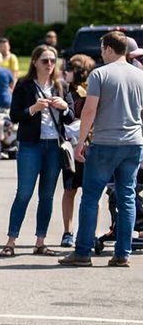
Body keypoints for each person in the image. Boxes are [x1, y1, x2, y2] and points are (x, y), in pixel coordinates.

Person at [62, 30, 143, 267]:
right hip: (133, 143)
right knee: (126, 196)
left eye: (102, 50)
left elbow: (89, 110)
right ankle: (122, 254)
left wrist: (80, 142)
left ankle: (82, 252)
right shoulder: (139, 75)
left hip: (105, 143)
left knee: (90, 197)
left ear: (108, 49)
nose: (101, 54)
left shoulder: (100, 74)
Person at [0, 45, 71, 257]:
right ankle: (11, 241)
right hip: (31, 144)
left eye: (52, 60)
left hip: (54, 146)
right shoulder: (24, 85)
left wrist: (64, 107)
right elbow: (14, 116)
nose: (49, 64)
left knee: (47, 196)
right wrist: (33, 109)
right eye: (45, 60)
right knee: (24, 193)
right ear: (34, 62)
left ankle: (40, 241)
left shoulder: (61, 85)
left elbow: (71, 116)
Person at [58, 54, 96, 247]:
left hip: (90, 144)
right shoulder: (65, 90)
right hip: (71, 145)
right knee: (70, 189)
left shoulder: (93, 90)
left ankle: (87, 232)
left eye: (70, 69)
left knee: (90, 192)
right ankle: (68, 231)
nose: (66, 72)